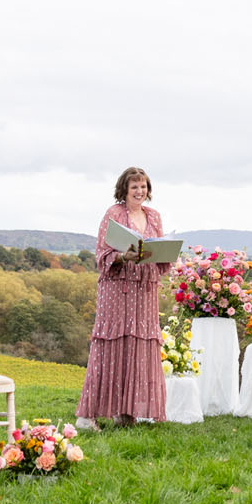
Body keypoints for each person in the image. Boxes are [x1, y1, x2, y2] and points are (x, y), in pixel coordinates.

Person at [75, 166, 170, 429]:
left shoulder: (154, 216)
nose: (140, 191)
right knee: (110, 345)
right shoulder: (113, 214)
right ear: (124, 190)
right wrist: (122, 256)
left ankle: (125, 412)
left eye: (144, 186)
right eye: (135, 187)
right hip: (116, 289)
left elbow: (160, 251)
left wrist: (162, 252)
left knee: (138, 347)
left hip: (145, 289)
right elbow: (102, 253)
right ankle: (87, 415)